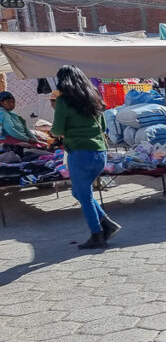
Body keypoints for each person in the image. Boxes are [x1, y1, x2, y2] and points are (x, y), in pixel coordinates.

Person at [51, 65, 120, 249]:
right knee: (78, 192)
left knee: (85, 195)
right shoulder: (94, 96)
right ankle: (107, 223)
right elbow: (103, 125)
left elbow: (57, 130)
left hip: (80, 154)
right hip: (99, 153)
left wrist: (55, 130)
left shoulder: (63, 101)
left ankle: (97, 235)